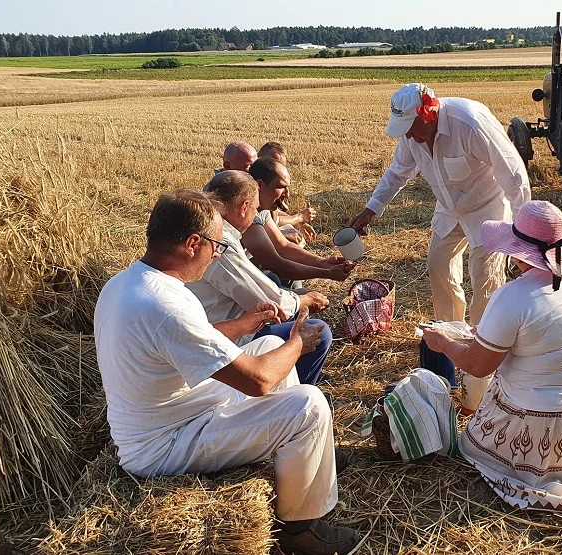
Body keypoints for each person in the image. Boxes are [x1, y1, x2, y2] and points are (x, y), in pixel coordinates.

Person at [94, 189, 361, 554]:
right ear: (192, 243)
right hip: (163, 442)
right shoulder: (165, 304)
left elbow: (192, 339)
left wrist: (245, 323)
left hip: (175, 409)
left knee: (267, 346)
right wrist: (297, 342)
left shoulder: (129, 283)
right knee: (308, 405)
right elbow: (258, 380)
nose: (217, 254)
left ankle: (305, 456)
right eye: (217, 246)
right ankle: (300, 530)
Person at [422, 200, 562, 513]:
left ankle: (532, 468)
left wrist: (444, 343)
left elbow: (477, 366)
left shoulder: (513, 296)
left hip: (550, 422)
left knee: (470, 447)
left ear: (516, 252)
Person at [349, 83, 531, 325]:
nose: (409, 135)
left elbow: (513, 174)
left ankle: (483, 340)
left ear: (429, 114)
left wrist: (525, 231)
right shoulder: (411, 135)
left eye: (411, 127)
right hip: (450, 206)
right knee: (438, 263)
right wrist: (371, 209)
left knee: (485, 275)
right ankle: (450, 330)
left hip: (488, 205)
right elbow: (397, 173)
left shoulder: (470, 123)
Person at [186, 170, 333, 385]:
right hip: (223, 336)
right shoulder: (220, 242)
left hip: (219, 323)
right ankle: (291, 394)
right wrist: (305, 299)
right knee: (319, 332)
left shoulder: (211, 229)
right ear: (244, 207)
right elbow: (270, 303)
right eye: (255, 208)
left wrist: (297, 294)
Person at [243, 157, 354, 287]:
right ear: (260, 185)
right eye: (280, 187)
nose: (287, 195)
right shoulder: (246, 214)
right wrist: (326, 272)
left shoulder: (262, 209)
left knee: (291, 283)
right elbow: (277, 265)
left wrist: (323, 262)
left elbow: (283, 247)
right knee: (275, 279)